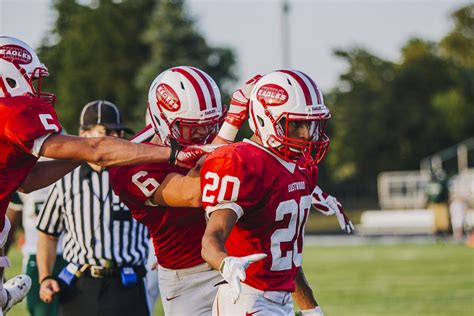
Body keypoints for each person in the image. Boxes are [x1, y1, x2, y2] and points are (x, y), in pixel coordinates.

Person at [0, 37, 217, 313]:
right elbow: (97, 150)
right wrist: (172, 153)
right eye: (31, 78)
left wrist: (81, 154)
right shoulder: (9, 112)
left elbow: (28, 180)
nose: (35, 87)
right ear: (7, 78)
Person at [200, 69, 353, 316]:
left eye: (311, 123)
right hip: (246, 299)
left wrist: (312, 309)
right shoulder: (241, 162)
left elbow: (288, 262)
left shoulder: (302, 167)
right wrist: (226, 263)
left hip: (281, 302)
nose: (306, 133)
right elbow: (210, 239)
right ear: (265, 119)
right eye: (296, 124)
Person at [110, 66, 243, 315]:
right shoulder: (129, 164)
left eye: (212, 124)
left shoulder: (204, 136)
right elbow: (195, 192)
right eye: (194, 127)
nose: (205, 133)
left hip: (234, 260)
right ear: (163, 121)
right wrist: (231, 123)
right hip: (189, 280)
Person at [36, 101, 151, 316]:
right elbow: (48, 234)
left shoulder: (138, 176)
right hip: (79, 285)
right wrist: (45, 277)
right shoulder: (65, 179)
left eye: (118, 133)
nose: (114, 139)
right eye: (106, 132)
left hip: (127, 284)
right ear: (83, 134)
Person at [6, 187, 67, 316]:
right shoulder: (24, 177)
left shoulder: (73, 175)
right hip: (41, 256)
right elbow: (10, 225)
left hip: (71, 256)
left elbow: (10, 226)